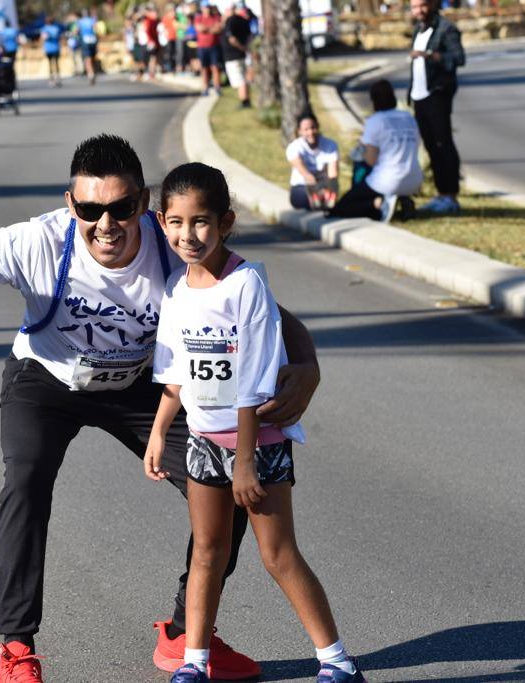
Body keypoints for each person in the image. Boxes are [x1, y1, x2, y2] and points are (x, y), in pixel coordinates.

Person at [0, 134, 320, 683]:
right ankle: (17, 646)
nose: (107, 223)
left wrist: (308, 364)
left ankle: (184, 635)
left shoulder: (171, 239)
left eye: (121, 208)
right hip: (48, 379)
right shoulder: (39, 241)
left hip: (140, 384)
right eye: (90, 209)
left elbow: (254, 300)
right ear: (71, 203)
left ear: (143, 203)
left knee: (231, 484)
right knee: (25, 481)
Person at [145, 162, 366, 683]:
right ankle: (193, 663)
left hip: (256, 443)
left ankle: (337, 661)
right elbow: (175, 373)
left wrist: (244, 460)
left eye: (200, 222)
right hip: (202, 439)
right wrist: (158, 433)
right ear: (160, 222)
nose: (187, 234)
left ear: (226, 221)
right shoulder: (176, 288)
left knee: (278, 554)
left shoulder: (246, 284)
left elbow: (253, 378)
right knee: (207, 552)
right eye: (175, 222)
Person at [330, 79, 422, 222]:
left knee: (340, 208)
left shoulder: (376, 120)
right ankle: (403, 200)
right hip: (414, 179)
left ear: (373, 100)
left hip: (387, 181)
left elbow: (371, 160)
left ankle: (378, 205)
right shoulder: (408, 117)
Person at [408, 0, 465, 214]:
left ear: (432, 4)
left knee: (443, 144)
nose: (418, 11)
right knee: (431, 145)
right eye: (414, 7)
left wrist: (431, 55)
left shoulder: (446, 29)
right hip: (419, 96)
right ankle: (441, 194)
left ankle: (451, 195)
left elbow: (459, 58)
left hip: (438, 94)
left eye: (422, 5)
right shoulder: (419, 30)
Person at [287, 114, 339, 211]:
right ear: (299, 131)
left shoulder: (330, 145)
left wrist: (328, 189)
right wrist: (318, 190)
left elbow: (333, 174)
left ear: (317, 127)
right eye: (306, 130)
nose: (310, 132)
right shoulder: (294, 147)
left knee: (332, 196)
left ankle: (325, 201)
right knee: (304, 198)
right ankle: (318, 201)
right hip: (303, 186)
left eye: (313, 128)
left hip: (325, 185)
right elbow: (306, 175)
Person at [221, 2, 251, 107]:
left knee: (240, 80)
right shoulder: (243, 20)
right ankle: (245, 100)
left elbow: (232, 39)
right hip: (240, 54)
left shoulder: (231, 21)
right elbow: (249, 36)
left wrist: (241, 47)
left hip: (233, 55)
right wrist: (245, 48)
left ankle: (244, 101)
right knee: (243, 78)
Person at [194, 2, 223, 96]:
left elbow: (218, 29)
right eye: (205, 7)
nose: (207, 9)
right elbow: (200, 28)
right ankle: (205, 88)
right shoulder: (199, 18)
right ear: (202, 8)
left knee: (215, 67)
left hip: (214, 46)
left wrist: (208, 29)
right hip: (202, 47)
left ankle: (217, 87)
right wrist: (211, 28)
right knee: (204, 68)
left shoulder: (215, 17)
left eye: (208, 7)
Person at [76, 9, 99, 84]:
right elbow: (96, 29)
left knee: (87, 59)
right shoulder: (92, 20)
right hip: (93, 40)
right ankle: (93, 72)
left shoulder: (80, 21)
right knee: (93, 58)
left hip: (85, 41)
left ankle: (90, 74)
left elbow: (77, 31)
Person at [40, 16, 63, 87]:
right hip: (56, 47)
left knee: (50, 63)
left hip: (48, 48)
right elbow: (59, 38)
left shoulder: (44, 29)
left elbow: (43, 38)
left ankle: (51, 78)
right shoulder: (56, 28)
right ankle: (58, 77)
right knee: (56, 63)